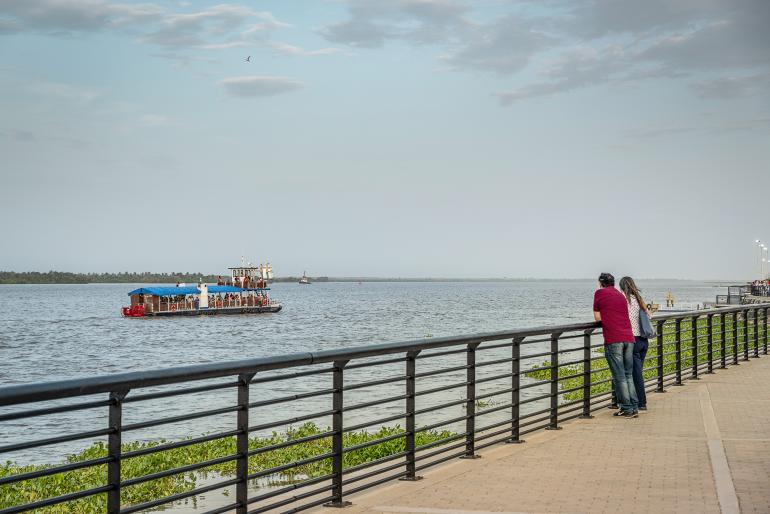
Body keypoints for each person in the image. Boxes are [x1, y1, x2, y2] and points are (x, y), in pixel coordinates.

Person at [593, 272, 638, 418]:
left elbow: (597, 317)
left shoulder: (599, 293)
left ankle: (626, 408)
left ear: (601, 283)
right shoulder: (620, 295)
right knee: (628, 375)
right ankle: (634, 407)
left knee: (619, 376)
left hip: (614, 339)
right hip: (629, 338)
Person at [619, 276, 654, 411]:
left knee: (634, 373)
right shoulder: (638, 298)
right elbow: (649, 315)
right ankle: (633, 400)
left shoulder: (623, 299)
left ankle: (641, 403)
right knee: (636, 372)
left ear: (622, 286)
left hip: (632, 340)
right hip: (643, 341)